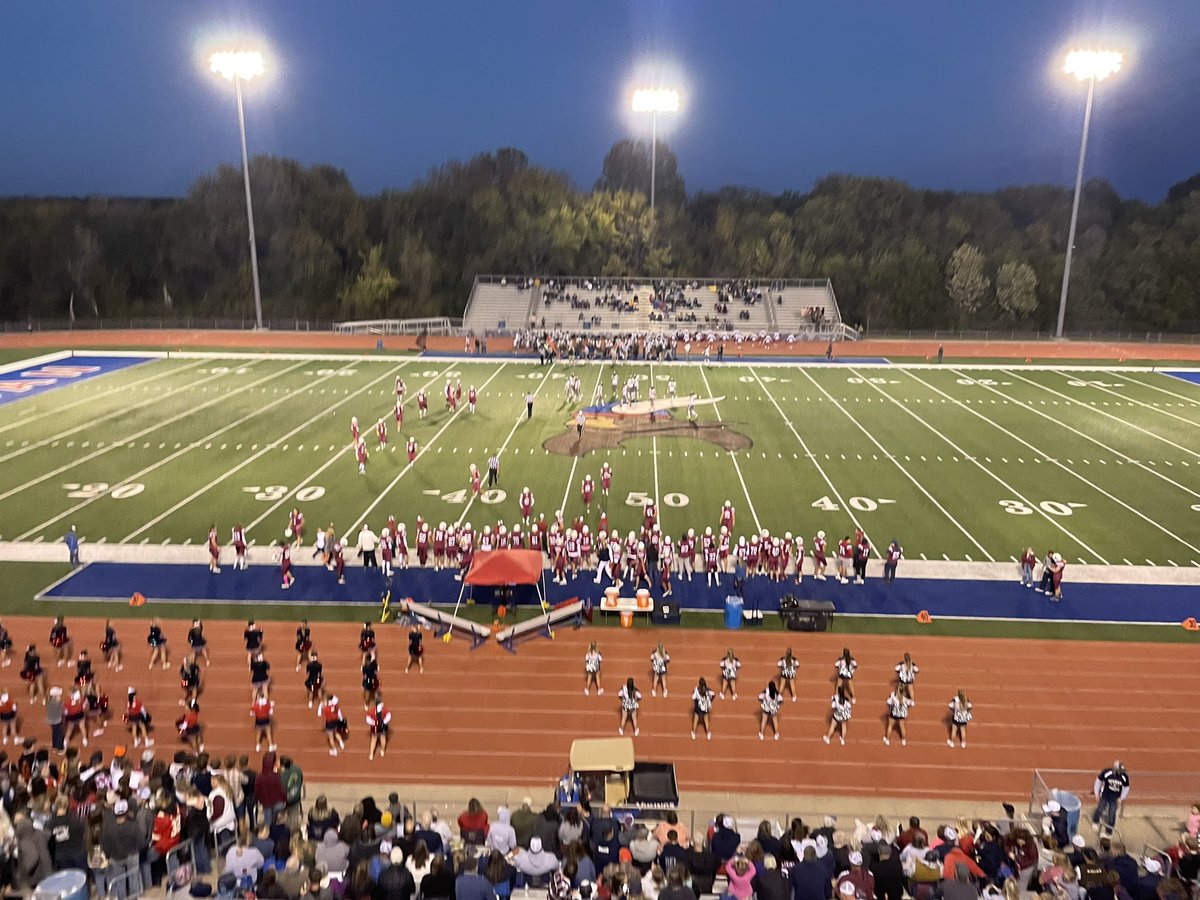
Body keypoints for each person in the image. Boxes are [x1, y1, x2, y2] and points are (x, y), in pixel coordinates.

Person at [1093, 761, 1130, 834]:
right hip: (1105, 796)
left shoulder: (1124, 776)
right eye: (1120, 770)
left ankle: (1109, 831)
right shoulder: (1107, 772)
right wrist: (1096, 793)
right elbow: (1098, 781)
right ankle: (1095, 821)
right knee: (1100, 810)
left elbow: (1126, 788)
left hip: (1115, 799)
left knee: (1112, 815)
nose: (1121, 772)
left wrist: (1121, 798)